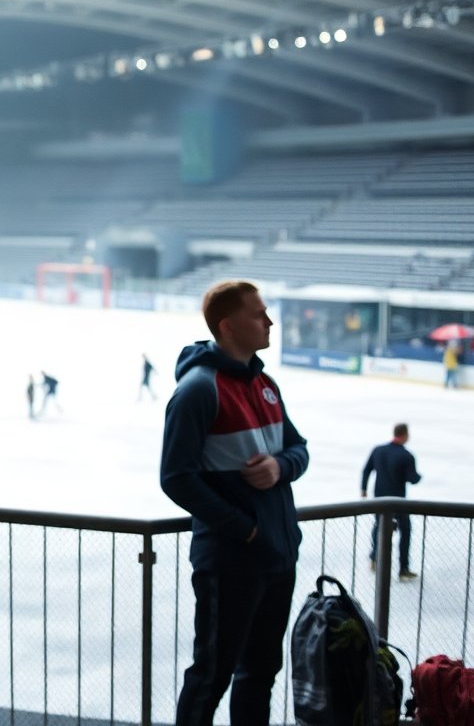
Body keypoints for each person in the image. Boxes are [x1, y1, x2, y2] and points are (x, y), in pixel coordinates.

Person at [160, 280, 308, 726]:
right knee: (211, 677)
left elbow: (299, 449)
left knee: (260, 673)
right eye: (258, 314)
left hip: (278, 557)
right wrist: (245, 529)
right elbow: (175, 478)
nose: (269, 322)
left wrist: (279, 467)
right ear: (228, 326)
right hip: (232, 562)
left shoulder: (265, 384)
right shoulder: (198, 391)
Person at [360, 423, 422, 581]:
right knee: (405, 531)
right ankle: (403, 568)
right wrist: (418, 477)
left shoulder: (378, 450)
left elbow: (366, 469)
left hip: (379, 498)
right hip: (398, 501)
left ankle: (374, 558)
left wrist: (364, 489)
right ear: (405, 435)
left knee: (378, 527)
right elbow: (412, 478)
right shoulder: (406, 456)